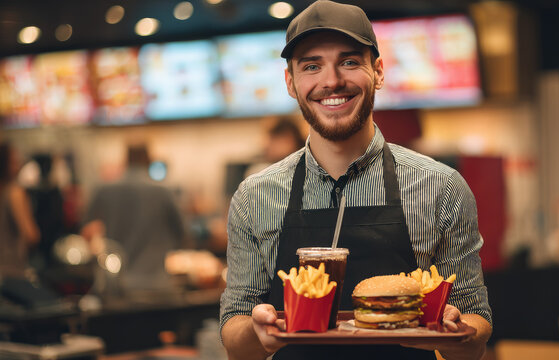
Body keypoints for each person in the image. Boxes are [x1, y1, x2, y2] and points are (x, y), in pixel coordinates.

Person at [219, 2, 492, 360]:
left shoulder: (441, 188)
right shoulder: (255, 196)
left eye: (349, 62)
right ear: (290, 82)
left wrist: (456, 333)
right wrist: (257, 332)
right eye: (311, 66)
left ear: (378, 71)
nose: (331, 81)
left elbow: (476, 326)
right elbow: (236, 337)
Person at [81, 145, 185, 294]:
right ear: (148, 160)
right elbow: (182, 234)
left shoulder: (104, 189)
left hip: (116, 283)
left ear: (126, 160)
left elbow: (86, 228)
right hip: (157, 283)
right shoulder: (163, 192)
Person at [0, 142, 40, 279]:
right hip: (11, 269)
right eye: (14, 162)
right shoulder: (15, 192)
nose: (18, 166)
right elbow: (31, 234)